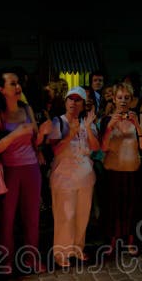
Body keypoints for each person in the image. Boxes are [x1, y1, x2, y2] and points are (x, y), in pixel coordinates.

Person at [0, 68, 46, 274]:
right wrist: (15, 135)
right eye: (12, 83)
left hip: (31, 168)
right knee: (7, 218)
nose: (18, 87)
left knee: (32, 216)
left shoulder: (27, 109)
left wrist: (42, 136)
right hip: (9, 169)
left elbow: (36, 139)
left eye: (18, 83)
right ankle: (6, 260)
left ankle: (32, 258)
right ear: (2, 89)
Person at [44, 86, 99, 267]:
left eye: (77, 100)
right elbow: (56, 149)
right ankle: (61, 251)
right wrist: (72, 133)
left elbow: (95, 147)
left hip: (84, 176)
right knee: (65, 215)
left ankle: (77, 247)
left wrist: (89, 128)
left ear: (83, 104)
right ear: (65, 101)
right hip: (64, 176)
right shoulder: (58, 122)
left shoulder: (87, 122)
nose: (73, 103)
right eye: (71, 99)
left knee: (82, 214)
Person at [100, 82, 142, 256]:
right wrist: (109, 128)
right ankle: (112, 241)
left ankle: (131, 240)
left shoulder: (139, 117)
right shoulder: (107, 119)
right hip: (112, 171)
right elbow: (103, 148)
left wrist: (137, 126)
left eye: (126, 98)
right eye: (119, 97)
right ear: (113, 99)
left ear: (132, 100)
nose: (123, 101)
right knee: (112, 209)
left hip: (132, 171)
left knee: (131, 209)